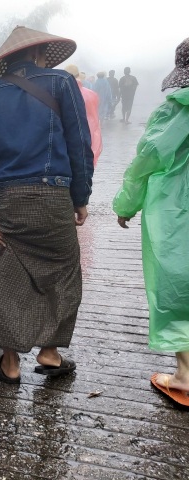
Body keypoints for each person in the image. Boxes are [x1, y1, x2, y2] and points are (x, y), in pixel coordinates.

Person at [0, 26, 94, 383]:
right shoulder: (62, 84)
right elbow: (79, 146)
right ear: (40, 54)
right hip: (53, 195)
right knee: (65, 273)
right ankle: (50, 352)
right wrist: (81, 197)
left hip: (9, 200)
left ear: (7, 62)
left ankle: (10, 363)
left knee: (11, 275)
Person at [113, 37, 189, 407]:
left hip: (176, 211)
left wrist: (127, 204)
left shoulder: (173, 111)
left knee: (176, 286)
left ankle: (186, 375)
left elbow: (148, 159)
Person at [64, 64, 102, 167]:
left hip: (69, 140)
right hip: (89, 136)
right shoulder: (92, 94)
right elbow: (95, 119)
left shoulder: (62, 93)